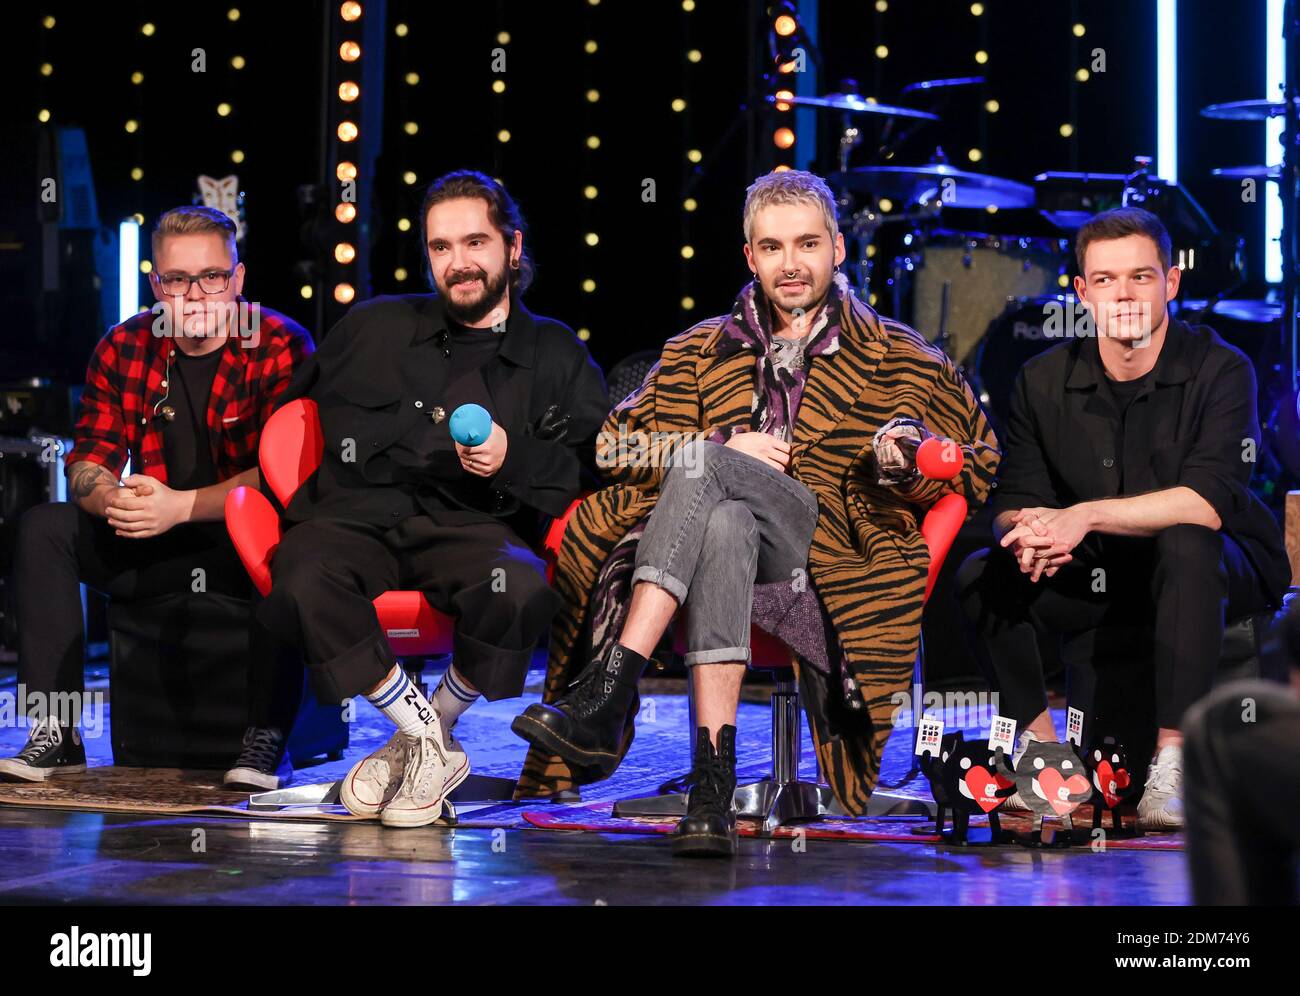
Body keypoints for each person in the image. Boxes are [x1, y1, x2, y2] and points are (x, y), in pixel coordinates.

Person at [513, 169, 999, 856]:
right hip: (714, 554)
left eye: (807, 244)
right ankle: (712, 788)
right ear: (750, 257)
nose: (791, 264)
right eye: (772, 248)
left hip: (827, 556)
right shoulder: (694, 351)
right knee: (721, 516)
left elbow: (976, 456)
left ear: (837, 247)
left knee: (705, 468)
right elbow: (613, 445)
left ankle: (610, 687)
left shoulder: (901, 355)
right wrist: (717, 444)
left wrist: (904, 466)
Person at [259, 170, 608, 828]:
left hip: (471, 527)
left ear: (512, 245)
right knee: (301, 572)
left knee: (521, 588)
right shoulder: (372, 326)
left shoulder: (554, 352)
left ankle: (417, 741)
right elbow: (286, 415)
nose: (459, 263)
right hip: (354, 519)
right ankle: (425, 736)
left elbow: (596, 466)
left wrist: (516, 457)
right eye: (441, 247)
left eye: (475, 242)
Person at [956, 207, 1291, 830]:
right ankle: (1044, 757)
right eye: (1105, 280)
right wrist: (1026, 536)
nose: (1124, 294)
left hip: (1216, 568)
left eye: (1141, 276)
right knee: (982, 572)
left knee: (1187, 543)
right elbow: (1013, 497)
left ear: (1172, 282)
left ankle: (1174, 763)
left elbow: (1207, 502)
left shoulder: (1222, 369)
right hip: (1103, 575)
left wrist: (1081, 517)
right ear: (1081, 292)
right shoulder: (1041, 380)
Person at [1, 205, 314, 790]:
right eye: (177, 279)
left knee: (293, 539)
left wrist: (182, 505)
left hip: (241, 549)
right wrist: (113, 500)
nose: (195, 295)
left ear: (237, 280)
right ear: (156, 285)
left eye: (212, 277)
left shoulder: (278, 344)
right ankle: (57, 732)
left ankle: (266, 735)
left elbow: (282, 478)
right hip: (149, 543)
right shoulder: (123, 346)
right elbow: (87, 460)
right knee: (45, 527)